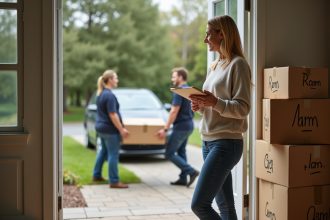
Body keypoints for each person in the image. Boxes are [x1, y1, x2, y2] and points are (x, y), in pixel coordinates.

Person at [189, 15, 252, 220]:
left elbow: (243, 108)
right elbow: (212, 105)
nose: (205, 39)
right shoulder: (216, 65)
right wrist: (200, 106)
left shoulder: (238, 65)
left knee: (199, 205)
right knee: (225, 206)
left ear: (222, 34)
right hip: (209, 142)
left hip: (226, 143)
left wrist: (214, 102)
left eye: (208, 34)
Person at [155, 67, 199, 187]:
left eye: (174, 76)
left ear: (180, 77)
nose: (172, 79)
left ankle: (191, 171)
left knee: (169, 153)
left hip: (181, 126)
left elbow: (174, 111)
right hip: (189, 124)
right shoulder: (188, 89)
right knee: (181, 151)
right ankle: (183, 178)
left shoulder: (179, 91)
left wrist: (165, 128)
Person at [92, 70, 130, 188]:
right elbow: (112, 114)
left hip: (101, 127)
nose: (117, 80)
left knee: (103, 151)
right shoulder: (109, 95)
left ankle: (96, 175)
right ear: (110, 80)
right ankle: (114, 181)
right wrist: (121, 129)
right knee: (113, 154)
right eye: (116, 78)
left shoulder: (101, 93)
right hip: (109, 129)